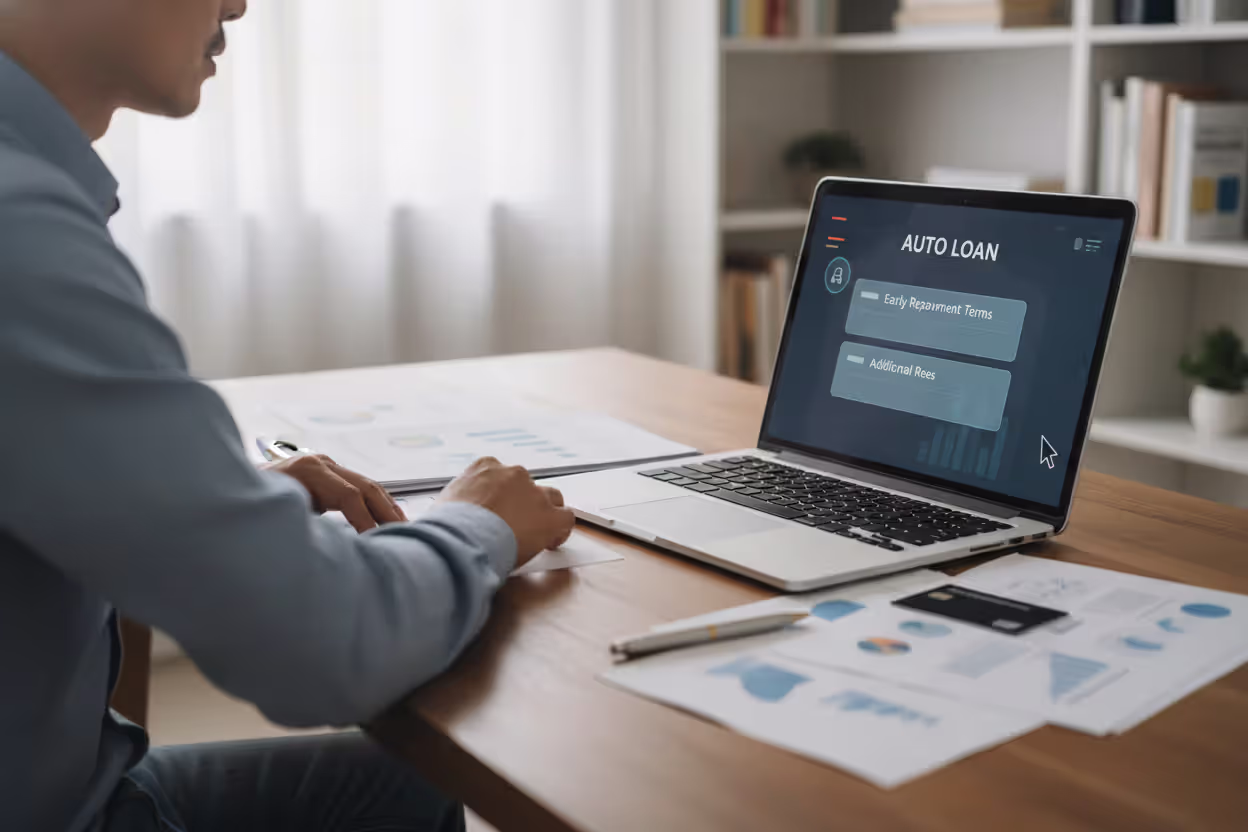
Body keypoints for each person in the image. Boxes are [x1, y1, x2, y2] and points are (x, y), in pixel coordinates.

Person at [0, 1, 577, 830]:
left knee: (402, 780)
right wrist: (473, 526)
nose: (239, 3)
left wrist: (216, 501)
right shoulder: (21, 235)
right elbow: (321, 648)